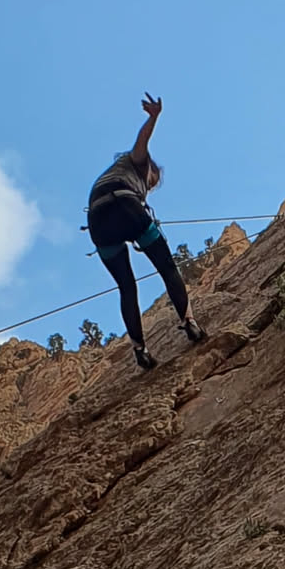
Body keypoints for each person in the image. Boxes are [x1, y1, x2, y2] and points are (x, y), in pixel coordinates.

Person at [87, 95, 206, 372]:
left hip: (98, 222)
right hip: (125, 206)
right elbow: (141, 144)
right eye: (153, 182)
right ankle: (189, 322)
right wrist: (153, 118)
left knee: (126, 287)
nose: (151, 187)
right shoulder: (137, 163)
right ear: (150, 170)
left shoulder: (113, 173)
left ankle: (140, 350)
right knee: (167, 268)